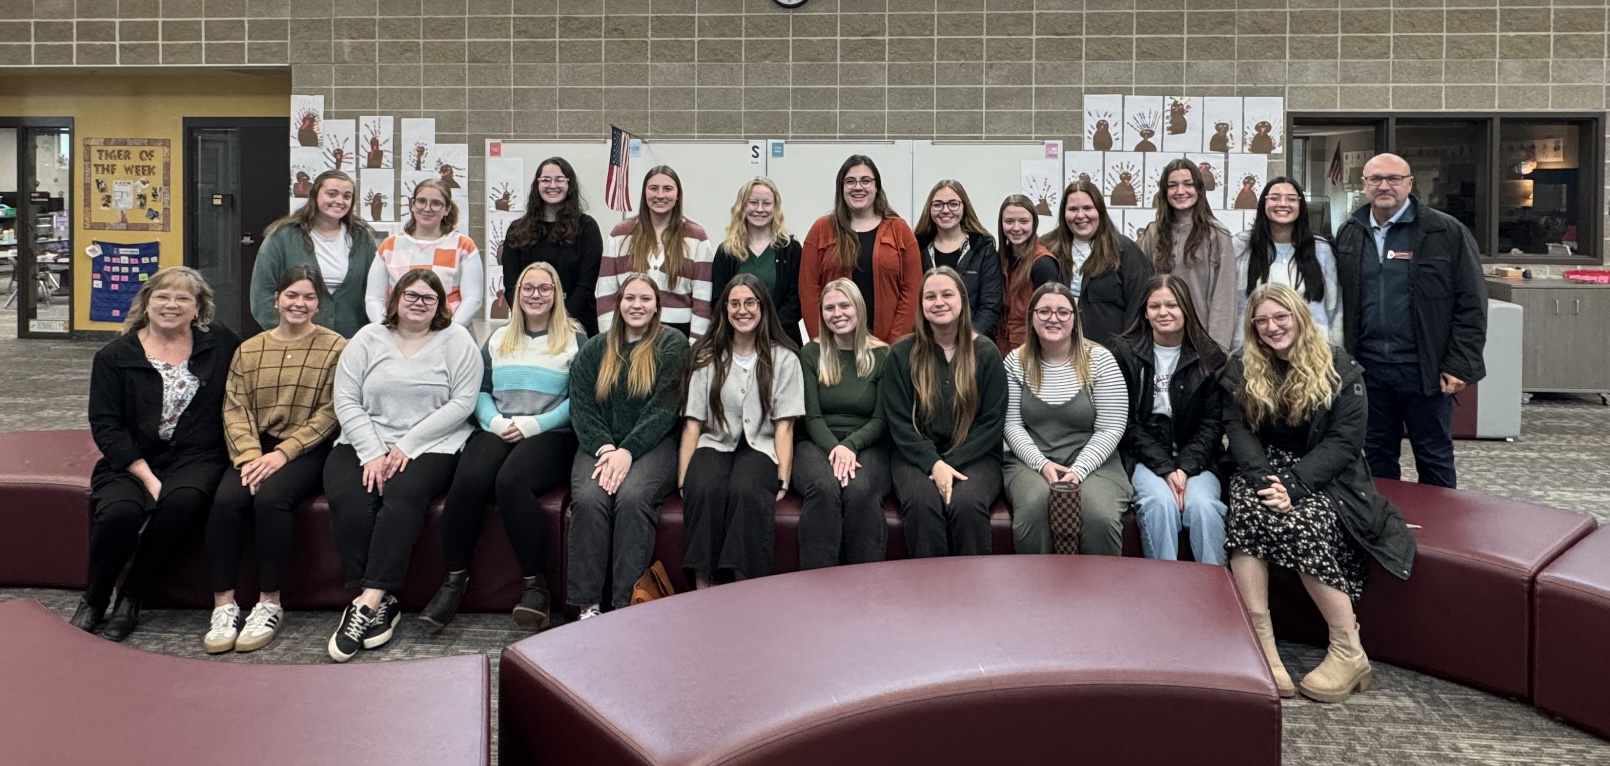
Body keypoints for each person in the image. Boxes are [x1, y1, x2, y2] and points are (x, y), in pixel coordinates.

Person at [1223, 283, 1415, 703]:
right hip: (1262, 469)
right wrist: (1263, 480)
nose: (1272, 327)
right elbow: (1237, 429)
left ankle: (1349, 651)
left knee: (1299, 523)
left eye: (1280, 317)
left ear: (1298, 316)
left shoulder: (1339, 367)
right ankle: (1261, 645)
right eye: (1262, 321)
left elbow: (1346, 442)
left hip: (1328, 474)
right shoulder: (1243, 366)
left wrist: (1293, 485)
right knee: (1247, 512)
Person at [75, 267, 242, 641]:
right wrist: (147, 477)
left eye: (184, 298)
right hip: (131, 459)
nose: (172, 304)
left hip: (197, 457)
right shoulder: (114, 356)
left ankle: (132, 596)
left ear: (199, 308)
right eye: (163, 296)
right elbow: (105, 424)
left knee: (180, 503)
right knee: (119, 513)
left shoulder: (220, 343)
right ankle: (95, 596)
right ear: (146, 303)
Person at [324, 269, 481, 662]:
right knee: (352, 498)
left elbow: (462, 402)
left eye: (429, 298)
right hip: (365, 439)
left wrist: (408, 445)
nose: (419, 304)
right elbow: (345, 398)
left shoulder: (456, 339)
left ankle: (366, 603)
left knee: (402, 496)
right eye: (411, 296)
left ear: (441, 305)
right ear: (395, 299)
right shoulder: (367, 338)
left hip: (433, 443)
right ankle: (382, 602)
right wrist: (372, 450)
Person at [420, 262, 586, 634]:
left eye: (545, 288)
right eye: (528, 288)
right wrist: (494, 422)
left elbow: (581, 400)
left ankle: (534, 588)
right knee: (468, 480)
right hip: (499, 426)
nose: (535, 295)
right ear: (516, 293)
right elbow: (478, 391)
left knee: (510, 482)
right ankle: (453, 580)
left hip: (552, 433)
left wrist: (535, 424)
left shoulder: (576, 339)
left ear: (557, 295)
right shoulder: (497, 339)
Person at [204, 266, 345, 654]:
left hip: (306, 447)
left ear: (319, 303)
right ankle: (224, 604)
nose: (299, 304)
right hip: (254, 446)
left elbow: (331, 412)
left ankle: (269, 602)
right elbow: (235, 407)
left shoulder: (336, 347)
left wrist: (283, 453)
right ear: (277, 299)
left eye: (308, 297)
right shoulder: (249, 349)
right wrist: (250, 454)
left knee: (270, 500)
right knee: (227, 500)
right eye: (292, 296)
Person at [1333, 153, 1487, 488]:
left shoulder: (1445, 232)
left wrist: (1460, 363)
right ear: (1364, 185)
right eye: (1375, 179)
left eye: (1393, 178)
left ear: (1409, 184)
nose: (1384, 186)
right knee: (1375, 456)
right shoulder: (1349, 233)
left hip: (1424, 370)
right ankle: (1383, 532)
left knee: (1433, 456)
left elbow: (1472, 303)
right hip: (1368, 369)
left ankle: (1440, 534)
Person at [567, 274, 689, 619]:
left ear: (657, 306)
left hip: (653, 445)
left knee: (633, 498)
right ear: (618, 304)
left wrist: (628, 450)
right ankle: (587, 605)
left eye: (645, 299)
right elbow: (582, 406)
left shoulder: (672, 344)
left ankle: (624, 608)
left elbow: (664, 409)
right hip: (599, 446)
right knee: (590, 500)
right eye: (630, 298)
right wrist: (606, 448)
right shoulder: (594, 348)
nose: (637, 305)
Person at [678, 274, 805, 588]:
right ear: (724, 310)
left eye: (750, 302)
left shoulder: (785, 359)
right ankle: (701, 587)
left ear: (762, 308)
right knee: (704, 486)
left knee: (746, 490)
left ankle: (743, 589)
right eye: (734, 303)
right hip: (715, 443)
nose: (742, 310)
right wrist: (684, 478)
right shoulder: (706, 357)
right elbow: (693, 424)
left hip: (761, 447)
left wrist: (783, 479)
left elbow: (784, 427)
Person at [881, 267, 1007, 557]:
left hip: (976, 456)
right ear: (921, 305)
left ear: (963, 300)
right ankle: (930, 595)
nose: (939, 302)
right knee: (923, 504)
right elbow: (899, 422)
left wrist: (948, 463)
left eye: (947, 294)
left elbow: (991, 424)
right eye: (930, 296)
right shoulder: (901, 353)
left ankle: (973, 596)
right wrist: (932, 463)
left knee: (966, 505)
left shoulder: (986, 353)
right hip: (914, 457)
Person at [1002, 282, 1131, 555]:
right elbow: (1011, 424)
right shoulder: (1015, 361)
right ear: (1032, 317)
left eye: (1063, 312)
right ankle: (1034, 592)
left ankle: (1099, 593)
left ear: (1075, 318)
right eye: (1044, 311)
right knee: (1034, 508)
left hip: (1097, 462)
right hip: (1030, 461)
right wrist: (1041, 464)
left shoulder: (1101, 360)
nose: (1053, 318)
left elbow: (1112, 427)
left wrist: (1079, 470)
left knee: (1099, 516)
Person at [1112, 275, 1228, 565]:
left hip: (1198, 460)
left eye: (1172, 305)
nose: (1163, 312)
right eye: (1155, 306)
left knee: (1204, 507)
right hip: (1144, 457)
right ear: (1145, 312)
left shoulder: (1210, 356)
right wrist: (1165, 468)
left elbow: (1213, 424)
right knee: (1158, 504)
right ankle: (1165, 593)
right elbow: (1125, 423)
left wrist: (1185, 469)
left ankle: (1214, 595)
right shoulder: (1125, 353)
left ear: (1186, 308)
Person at [794, 279, 892, 569]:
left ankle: (865, 584)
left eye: (844, 305)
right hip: (816, 442)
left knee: (861, 491)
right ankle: (818, 585)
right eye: (829, 308)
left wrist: (849, 446)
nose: (837, 313)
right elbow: (811, 418)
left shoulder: (883, 354)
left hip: (868, 443)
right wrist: (836, 448)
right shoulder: (810, 354)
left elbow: (880, 419)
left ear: (859, 309)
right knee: (824, 488)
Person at [800, 155, 923, 344]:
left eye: (866, 181)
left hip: (888, 345)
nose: (858, 187)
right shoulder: (821, 230)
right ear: (841, 188)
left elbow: (912, 289)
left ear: (876, 187)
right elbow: (808, 289)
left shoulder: (899, 230)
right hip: (835, 346)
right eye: (850, 181)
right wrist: (822, 340)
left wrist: (894, 345)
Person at [595, 165, 716, 341]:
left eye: (667, 189)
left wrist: (695, 346)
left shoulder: (696, 237)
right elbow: (606, 293)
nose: (660, 195)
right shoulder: (620, 234)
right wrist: (609, 340)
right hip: (628, 332)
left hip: (678, 336)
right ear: (645, 193)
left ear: (677, 195)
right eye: (653, 188)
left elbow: (703, 300)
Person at [251, 170, 377, 337]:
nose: (339, 201)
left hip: (351, 340)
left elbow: (375, 292)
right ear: (315, 195)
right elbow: (262, 293)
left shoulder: (362, 238)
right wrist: (284, 332)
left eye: (347, 196)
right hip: (296, 341)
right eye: (332, 194)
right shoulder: (282, 236)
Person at [1233, 177, 1342, 350]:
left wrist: (1336, 353)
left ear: (1300, 205)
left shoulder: (1320, 249)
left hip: (1311, 353)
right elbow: (1236, 307)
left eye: (1291, 198)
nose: (1283, 203)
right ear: (1263, 203)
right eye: (1274, 197)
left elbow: (1335, 308)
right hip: (1256, 354)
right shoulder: (1241, 247)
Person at [1137, 159, 1237, 347]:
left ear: (1199, 189)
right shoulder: (1153, 233)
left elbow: (1225, 297)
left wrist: (1217, 348)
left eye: (1188, 184)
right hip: (1160, 340)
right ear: (1164, 192)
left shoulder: (1217, 234)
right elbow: (1144, 290)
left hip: (1202, 341)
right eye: (1172, 185)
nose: (1180, 191)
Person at [1042, 179, 1154, 348]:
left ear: (1100, 211)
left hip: (1109, 355)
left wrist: (1125, 350)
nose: (1081, 215)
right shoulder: (1047, 249)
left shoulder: (1124, 251)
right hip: (1057, 351)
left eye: (1087, 208)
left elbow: (1139, 306)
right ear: (1064, 214)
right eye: (1073, 209)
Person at [500, 157, 603, 336]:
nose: (552, 185)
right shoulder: (517, 230)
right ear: (537, 184)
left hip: (574, 325)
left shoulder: (587, 228)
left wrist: (557, 321)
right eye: (546, 180)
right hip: (528, 326)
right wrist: (532, 320)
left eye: (559, 179)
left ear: (569, 184)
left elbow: (586, 285)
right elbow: (511, 285)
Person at [366, 179, 484, 328]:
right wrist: (384, 328)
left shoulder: (464, 246)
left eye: (436, 203)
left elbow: (473, 298)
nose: (427, 208)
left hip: (449, 333)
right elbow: (373, 298)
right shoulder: (389, 246)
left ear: (447, 209)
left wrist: (451, 329)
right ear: (412, 205)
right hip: (399, 333)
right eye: (421, 201)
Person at [711, 177, 803, 345]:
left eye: (766, 203)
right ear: (742, 206)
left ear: (775, 208)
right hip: (737, 342)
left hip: (781, 341)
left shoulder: (791, 250)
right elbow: (718, 301)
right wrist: (745, 328)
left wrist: (767, 329)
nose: (760, 209)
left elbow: (795, 300)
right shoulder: (726, 252)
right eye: (753, 202)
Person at [914, 180, 1004, 341]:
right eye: (938, 205)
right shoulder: (916, 247)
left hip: (972, 343)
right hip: (926, 343)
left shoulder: (983, 248)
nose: (945, 210)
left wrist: (969, 340)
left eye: (953, 204)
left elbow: (990, 305)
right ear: (929, 209)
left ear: (964, 207)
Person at [995, 193, 1065, 352]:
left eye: (1023, 221)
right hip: (1002, 349)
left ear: (1034, 223)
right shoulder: (1000, 259)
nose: (1016, 228)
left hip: (1030, 350)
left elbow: (1050, 316)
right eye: (1009, 221)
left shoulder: (1043, 263)